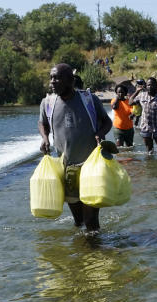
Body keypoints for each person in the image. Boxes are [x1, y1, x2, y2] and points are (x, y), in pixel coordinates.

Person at [38, 62, 113, 233]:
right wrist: (44, 137)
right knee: (78, 221)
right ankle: (80, 254)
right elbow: (42, 123)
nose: (52, 82)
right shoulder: (47, 103)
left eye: (57, 78)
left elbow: (107, 121)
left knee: (91, 222)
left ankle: (94, 254)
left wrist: (100, 133)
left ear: (70, 81)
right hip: (67, 168)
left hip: (91, 168)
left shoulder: (89, 100)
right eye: (51, 78)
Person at [130, 77, 157, 154]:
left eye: (152, 85)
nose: (150, 87)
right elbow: (130, 102)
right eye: (148, 85)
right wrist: (137, 91)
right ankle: (149, 165)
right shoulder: (142, 95)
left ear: (156, 86)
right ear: (146, 86)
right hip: (145, 127)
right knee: (149, 152)